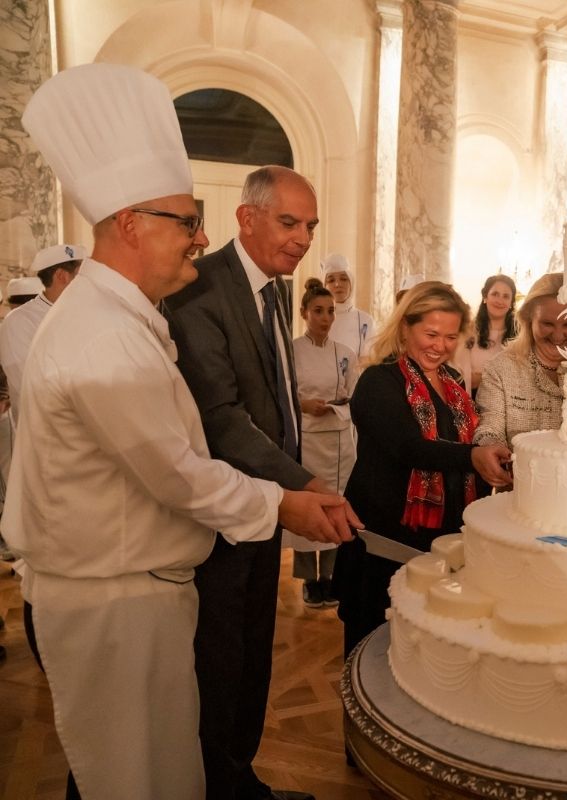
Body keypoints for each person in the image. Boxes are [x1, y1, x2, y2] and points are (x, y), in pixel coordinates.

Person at [10, 62, 353, 800]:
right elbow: (178, 469)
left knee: (159, 770)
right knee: (127, 778)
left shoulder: (122, 317)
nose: (197, 239)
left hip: (138, 591)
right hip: (113, 603)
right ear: (131, 224)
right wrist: (283, 504)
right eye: (185, 220)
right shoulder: (103, 337)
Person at [166, 164, 350, 800]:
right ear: (247, 218)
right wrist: (304, 482)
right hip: (224, 511)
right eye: (289, 222)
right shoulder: (200, 290)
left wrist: (296, 489)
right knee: (218, 658)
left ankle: (240, 776)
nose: (302, 238)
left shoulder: (273, 289)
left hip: (270, 507)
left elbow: (275, 400)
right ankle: (215, 781)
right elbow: (220, 418)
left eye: (310, 226)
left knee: (252, 653)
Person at [334, 281, 512, 656]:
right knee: (372, 650)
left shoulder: (453, 383)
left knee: (426, 654)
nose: (440, 346)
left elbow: (465, 444)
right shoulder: (379, 381)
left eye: (450, 337)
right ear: (404, 327)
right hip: (384, 540)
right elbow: (408, 447)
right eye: (431, 333)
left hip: (438, 544)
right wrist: (472, 458)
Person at [284, 279, 359, 609]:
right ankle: (308, 579)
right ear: (304, 313)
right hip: (308, 438)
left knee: (334, 504)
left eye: (330, 312)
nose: (326, 318)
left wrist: (339, 401)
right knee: (307, 504)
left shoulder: (344, 354)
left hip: (338, 439)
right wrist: (303, 404)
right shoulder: (290, 351)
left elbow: (354, 393)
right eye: (318, 311)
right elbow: (283, 392)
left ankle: (329, 576)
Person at [474, 272, 567, 449]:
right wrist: (491, 447)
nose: (557, 335)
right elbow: (489, 428)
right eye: (547, 324)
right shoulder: (500, 368)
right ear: (529, 320)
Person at [0, 244, 86, 424]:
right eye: (82, 275)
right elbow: (31, 384)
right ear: (62, 276)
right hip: (46, 431)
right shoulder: (19, 321)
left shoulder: (85, 312)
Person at [467, 274, 518, 391]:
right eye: (495, 294)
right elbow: (464, 378)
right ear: (485, 297)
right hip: (471, 398)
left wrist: (481, 377)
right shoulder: (468, 331)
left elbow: (518, 378)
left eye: (506, 296)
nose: (500, 300)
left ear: (511, 303)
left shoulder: (520, 336)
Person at [320, 253, 376, 359]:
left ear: (351, 283)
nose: (338, 284)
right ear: (324, 286)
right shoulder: (317, 320)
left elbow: (369, 361)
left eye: (343, 279)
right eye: (331, 280)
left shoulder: (366, 321)